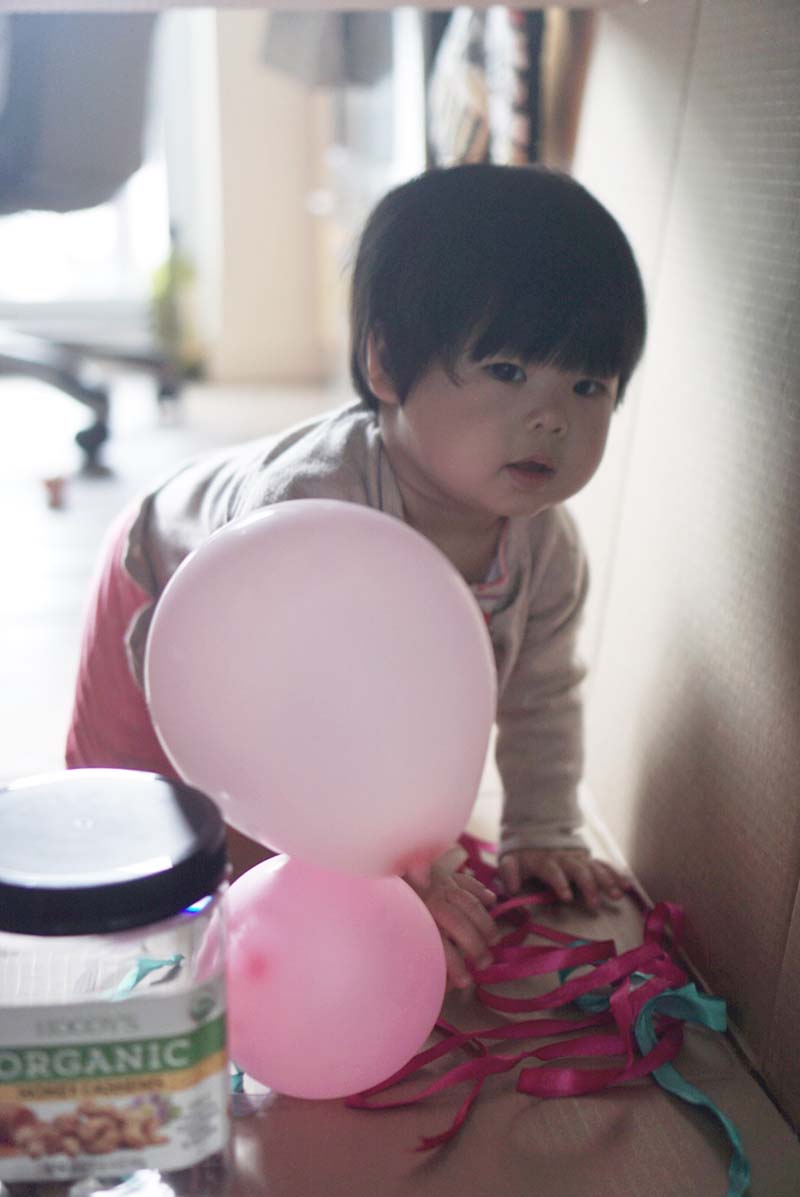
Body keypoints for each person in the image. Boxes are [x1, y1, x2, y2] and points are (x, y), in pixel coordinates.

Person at [66, 164, 646, 989]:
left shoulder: (545, 551)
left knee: (336, 892)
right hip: (166, 597)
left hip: (319, 701)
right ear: (385, 364)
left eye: (588, 385)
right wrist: (408, 866)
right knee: (132, 859)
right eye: (509, 373)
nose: (551, 417)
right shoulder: (309, 508)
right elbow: (274, 719)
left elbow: (541, 689)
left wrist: (542, 829)